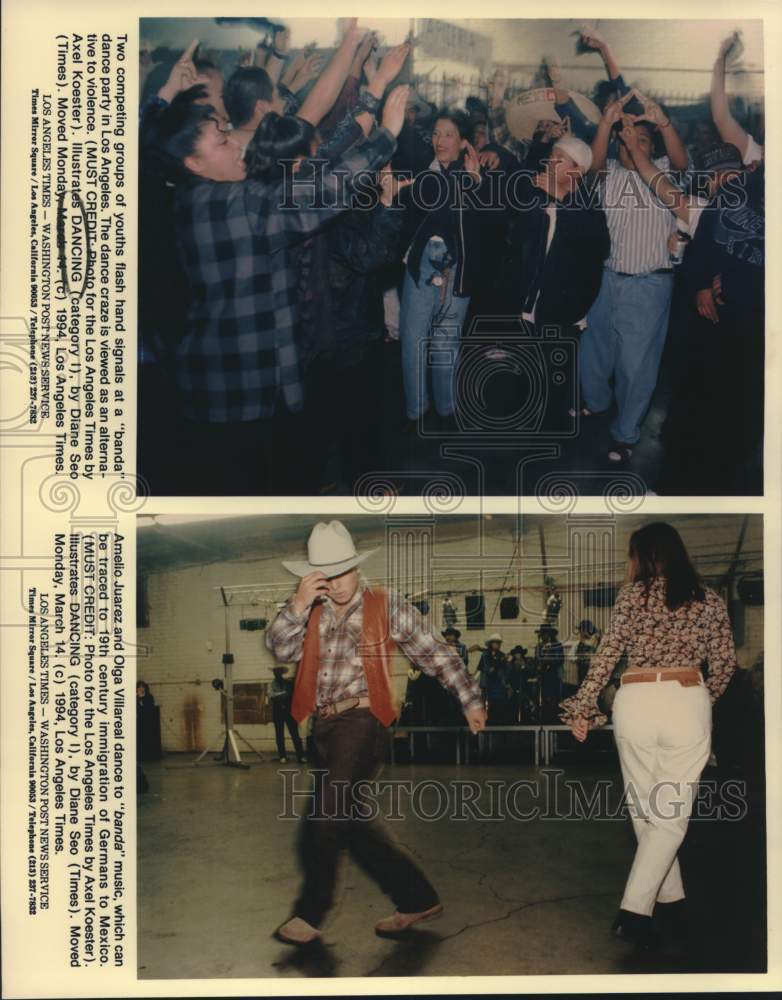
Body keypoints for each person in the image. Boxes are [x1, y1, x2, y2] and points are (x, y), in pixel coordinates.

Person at [148, 24, 408, 495]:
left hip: (229, 389)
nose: (233, 142)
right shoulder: (230, 207)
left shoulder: (183, 195)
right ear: (194, 163)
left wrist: (163, 99)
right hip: (241, 400)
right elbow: (323, 186)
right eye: (220, 140)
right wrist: (387, 133)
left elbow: (320, 153)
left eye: (226, 130)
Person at [266, 520, 486, 945]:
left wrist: (470, 699)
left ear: (357, 567)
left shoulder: (385, 604)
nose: (337, 584)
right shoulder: (307, 609)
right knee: (349, 821)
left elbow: (434, 651)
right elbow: (280, 648)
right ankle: (416, 898)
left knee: (325, 817)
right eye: (326, 577)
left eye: (343, 572)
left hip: (363, 722)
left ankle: (310, 914)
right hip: (324, 726)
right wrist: (295, 605)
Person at [560, 522, 737, 951]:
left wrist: (582, 705)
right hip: (685, 698)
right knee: (669, 814)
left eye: (630, 555)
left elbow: (606, 657)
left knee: (645, 811)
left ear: (642, 556)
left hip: (634, 699)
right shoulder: (709, 600)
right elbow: (726, 665)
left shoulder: (630, 597)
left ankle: (665, 901)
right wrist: (699, 701)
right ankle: (637, 911)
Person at [578, 89, 691, 464]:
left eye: (641, 139)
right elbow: (591, 168)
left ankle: (626, 433)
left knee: (635, 365)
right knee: (593, 354)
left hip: (649, 284)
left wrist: (661, 123)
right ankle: (596, 404)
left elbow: (680, 160)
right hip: (606, 278)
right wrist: (606, 124)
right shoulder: (608, 173)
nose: (632, 143)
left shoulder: (660, 171)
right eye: (626, 139)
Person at [398, 110, 486, 431]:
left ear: (463, 142)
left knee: (445, 343)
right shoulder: (421, 171)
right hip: (421, 261)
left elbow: (487, 228)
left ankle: (447, 410)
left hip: (457, 266)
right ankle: (416, 410)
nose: (440, 141)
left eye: (449, 134)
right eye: (436, 134)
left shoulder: (477, 178)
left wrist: (475, 183)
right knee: (412, 339)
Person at [269, 666, 307, 764]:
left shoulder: (289, 683)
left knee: (294, 734)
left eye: (277, 672)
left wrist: (281, 695)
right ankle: (283, 756)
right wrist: (283, 695)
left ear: (281, 673)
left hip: (289, 712)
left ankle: (301, 756)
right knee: (280, 735)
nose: (276, 674)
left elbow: (288, 695)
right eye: (275, 672)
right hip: (278, 712)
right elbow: (272, 697)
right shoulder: (273, 684)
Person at [476, 634, 511, 725]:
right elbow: (488, 669)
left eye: (499, 643)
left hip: (499, 682)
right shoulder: (486, 654)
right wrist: (500, 662)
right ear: (491, 644)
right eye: (496, 642)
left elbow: (506, 669)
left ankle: (499, 720)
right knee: (488, 703)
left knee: (499, 703)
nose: (498, 645)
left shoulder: (501, 655)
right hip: (488, 682)